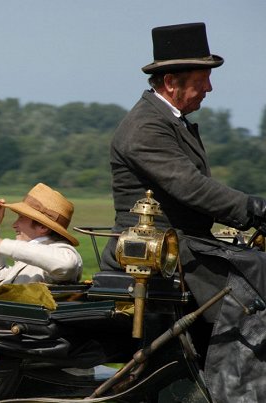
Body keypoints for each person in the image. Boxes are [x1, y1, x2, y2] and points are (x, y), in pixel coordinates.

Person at [100, 22, 266, 401]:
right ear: (171, 81)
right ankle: (238, 393)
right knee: (256, 286)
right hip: (162, 252)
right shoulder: (145, 127)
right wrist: (255, 208)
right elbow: (191, 188)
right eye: (203, 79)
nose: (209, 88)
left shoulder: (168, 122)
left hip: (184, 244)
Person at [0, 183, 83, 285]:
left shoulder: (60, 253)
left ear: (42, 227)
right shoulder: (33, 252)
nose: (14, 224)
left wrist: (3, 244)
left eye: (21, 218)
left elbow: (66, 264)